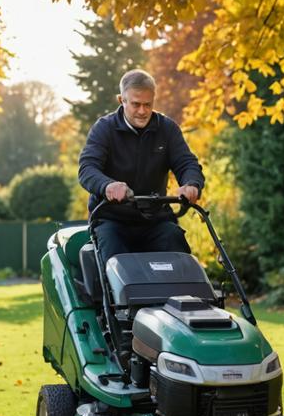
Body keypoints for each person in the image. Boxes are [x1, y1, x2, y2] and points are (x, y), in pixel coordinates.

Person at [78, 69, 205, 268]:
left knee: (176, 248)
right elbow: (87, 169)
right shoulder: (104, 129)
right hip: (112, 220)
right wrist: (108, 186)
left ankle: (178, 298)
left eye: (148, 104)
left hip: (155, 221)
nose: (143, 111)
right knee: (116, 266)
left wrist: (191, 184)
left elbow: (186, 163)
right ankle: (120, 299)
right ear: (122, 100)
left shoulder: (167, 129)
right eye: (136, 104)